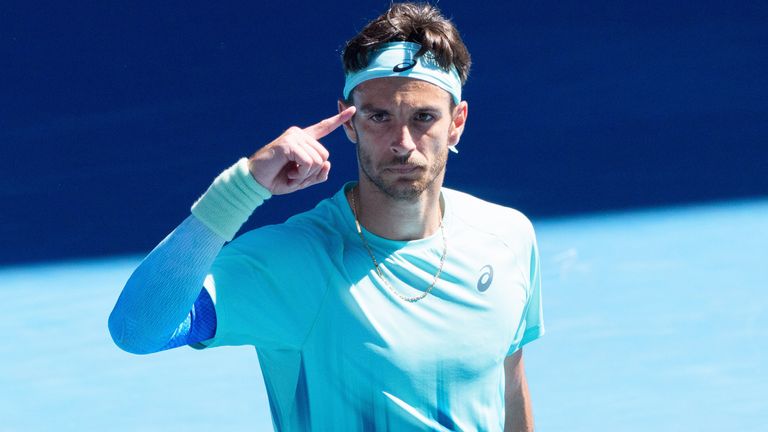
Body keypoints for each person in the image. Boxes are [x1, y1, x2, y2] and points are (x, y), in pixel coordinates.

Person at [108, 2, 544, 431]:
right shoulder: (292, 263)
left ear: (457, 122)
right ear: (348, 122)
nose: (402, 142)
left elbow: (508, 385)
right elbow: (137, 330)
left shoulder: (508, 238)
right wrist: (241, 189)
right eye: (379, 117)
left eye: (424, 117)